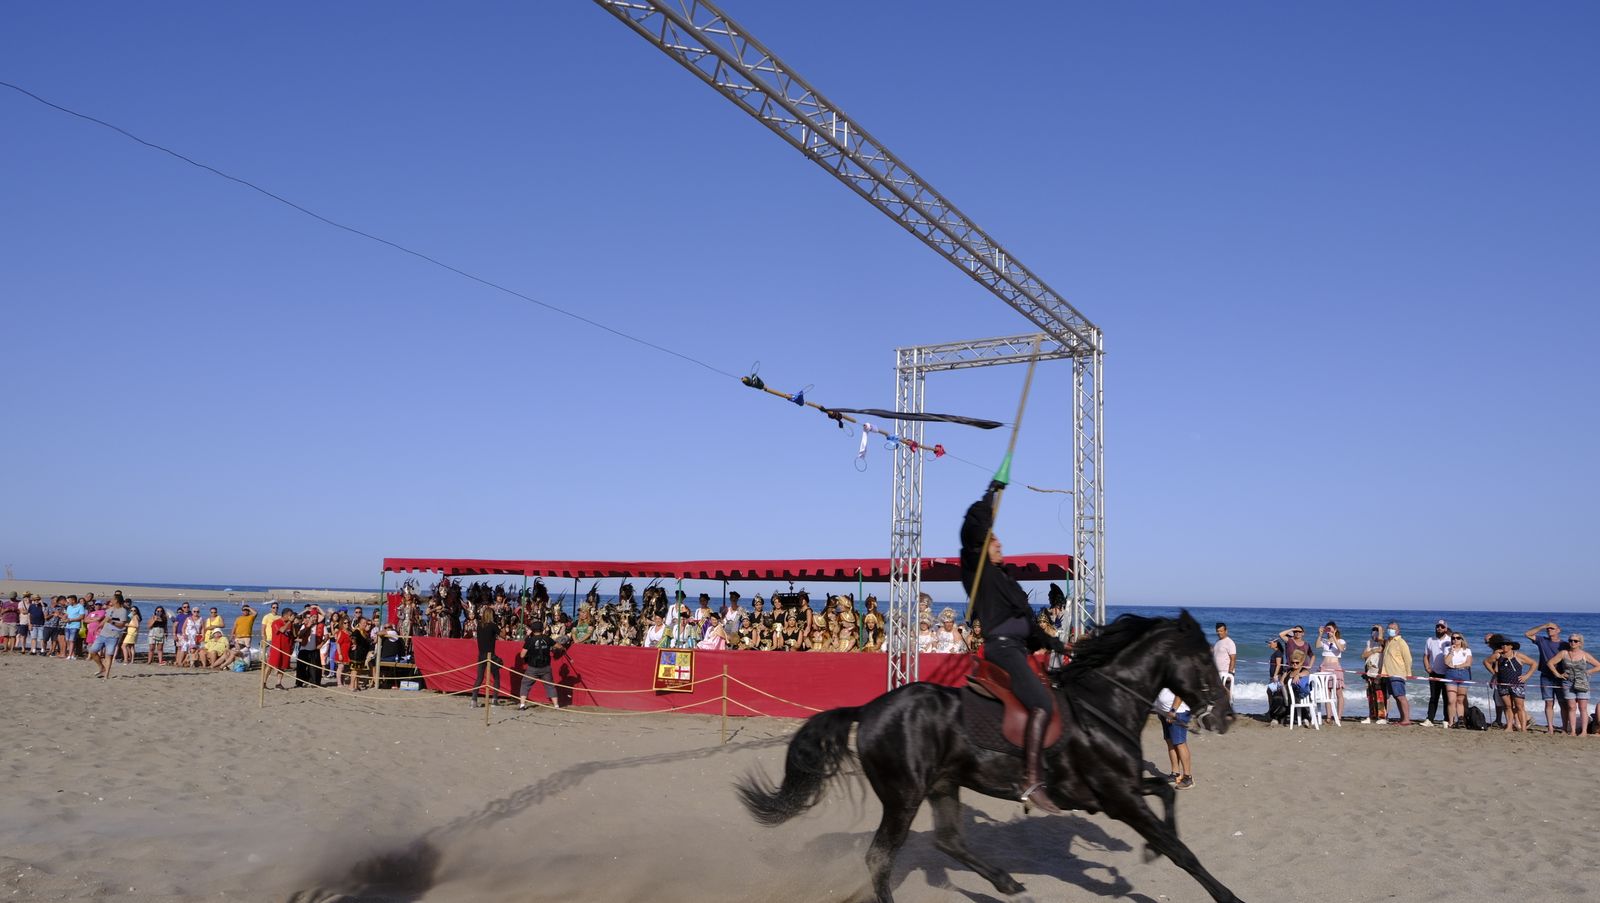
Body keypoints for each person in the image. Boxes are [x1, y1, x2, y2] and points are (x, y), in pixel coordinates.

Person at [961, 477, 1067, 814]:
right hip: (1002, 649)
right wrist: (990, 495)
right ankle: (1031, 780)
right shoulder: (979, 571)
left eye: (998, 540)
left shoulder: (1008, 581)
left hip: (1020, 647)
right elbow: (972, 532)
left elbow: (1031, 626)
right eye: (994, 541)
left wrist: (1055, 644)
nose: (1000, 544)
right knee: (1041, 704)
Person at [1546, 634, 1599, 737]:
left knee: (1583, 707)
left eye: (1575, 641)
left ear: (1580, 643)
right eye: (1570, 640)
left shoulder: (1584, 654)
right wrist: (1558, 674)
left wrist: (1588, 672)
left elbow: (1598, 666)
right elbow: (1550, 663)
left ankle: (1584, 731)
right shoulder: (1564, 653)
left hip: (1582, 682)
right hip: (1568, 682)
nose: (1572, 643)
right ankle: (1573, 731)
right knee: (1571, 707)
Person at [1485, 635, 1536, 732]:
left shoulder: (1518, 655)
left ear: (1511, 646)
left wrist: (1527, 676)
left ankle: (1523, 728)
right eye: (1502, 644)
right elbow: (1486, 662)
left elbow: (1534, 663)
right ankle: (1509, 726)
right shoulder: (1498, 655)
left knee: (1519, 707)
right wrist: (1494, 674)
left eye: (1507, 644)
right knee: (1507, 706)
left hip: (1517, 685)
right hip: (1503, 685)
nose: (1504, 646)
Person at [1525, 621, 1567, 734]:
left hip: (1561, 677)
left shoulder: (1565, 644)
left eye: (1552, 628)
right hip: (1546, 676)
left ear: (1558, 630)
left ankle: (1564, 728)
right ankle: (1550, 728)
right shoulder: (1542, 640)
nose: (1549, 630)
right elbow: (1527, 634)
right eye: (1548, 628)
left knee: (1563, 703)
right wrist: (1543, 626)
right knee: (1549, 703)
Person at [517, 619, 561, 709]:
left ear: (532, 630)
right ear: (542, 629)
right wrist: (562, 648)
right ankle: (556, 705)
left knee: (525, 684)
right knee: (550, 685)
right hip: (546, 667)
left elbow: (522, 655)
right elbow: (559, 646)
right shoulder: (547, 638)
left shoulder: (530, 640)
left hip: (532, 668)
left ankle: (522, 704)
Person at [1157, 688, 1193, 790]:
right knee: (1170, 742)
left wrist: (1173, 710)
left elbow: (1181, 690)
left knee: (1180, 743)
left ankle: (1188, 777)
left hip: (1178, 712)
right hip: (1164, 711)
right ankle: (1175, 774)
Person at [1380, 621, 1414, 725]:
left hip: (1397, 673)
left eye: (1393, 628)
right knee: (1396, 697)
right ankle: (1402, 718)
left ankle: (1406, 719)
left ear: (1398, 631)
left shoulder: (1401, 642)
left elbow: (1408, 658)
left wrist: (1408, 672)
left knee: (1400, 696)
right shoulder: (1388, 642)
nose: (1391, 630)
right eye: (1389, 628)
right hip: (1388, 674)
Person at [1422, 618, 1452, 726]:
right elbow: (1426, 655)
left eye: (1442, 627)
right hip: (1434, 672)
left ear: (1446, 628)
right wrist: (1427, 667)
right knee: (1433, 697)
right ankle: (1429, 719)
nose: (1439, 628)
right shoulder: (1430, 640)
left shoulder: (1450, 640)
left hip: (1447, 673)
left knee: (1447, 697)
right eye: (1438, 626)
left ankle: (1447, 720)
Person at [89, 596, 128, 679]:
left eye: (112, 599)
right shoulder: (110, 609)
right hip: (103, 634)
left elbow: (122, 624)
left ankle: (106, 675)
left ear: (116, 600)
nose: (111, 600)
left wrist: (112, 622)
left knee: (109, 655)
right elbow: (105, 620)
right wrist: (98, 627)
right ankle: (101, 667)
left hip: (113, 636)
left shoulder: (123, 611)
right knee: (92, 651)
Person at [471, 604, 501, 708]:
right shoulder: (493, 625)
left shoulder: (479, 625)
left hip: (481, 654)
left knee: (479, 678)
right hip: (490, 654)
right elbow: (503, 634)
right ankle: (495, 699)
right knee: (496, 677)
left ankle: (474, 700)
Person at [1315, 622, 1346, 722]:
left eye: (1330, 628)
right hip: (1324, 667)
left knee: (1338, 692)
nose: (1328, 630)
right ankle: (1329, 716)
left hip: (1335, 667)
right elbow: (1317, 646)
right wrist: (1320, 634)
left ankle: (1339, 716)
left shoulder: (1340, 640)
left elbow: (1341, 649)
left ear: (1335, 629)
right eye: (1327, 629)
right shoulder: (1324, 641)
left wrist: (1334, 637)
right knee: (1326, 693)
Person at [1441, 632, 1472, 728]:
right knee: (1451, 700)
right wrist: (1451, 651)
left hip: (1463, 673)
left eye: (1458, 638)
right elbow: (1446, 662)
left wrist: (1456, 666)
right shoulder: (1447, 649)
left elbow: (1468, 663)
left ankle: (1461, 720)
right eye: (1453, 638)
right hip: (1450, 674)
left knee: (1460, 700)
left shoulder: (1467, 650)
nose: (1455, 640)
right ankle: (1451, 721)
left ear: (1462, 639)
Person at [1360, 625, 1386, 723]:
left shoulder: (1384, 643)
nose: (1374, 635)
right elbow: (1363, 655)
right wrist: (1374, 650)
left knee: (1379, 694)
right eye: (1373, 633)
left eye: (1377, 633)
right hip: (1369, 671)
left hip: (1378, 672)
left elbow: (1381, 642)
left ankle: (1382, 716)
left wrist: (1380, 629)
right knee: (1370, 695)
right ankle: (1372, 715)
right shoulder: (1369, 642)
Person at [1212, 623, 1237, 700]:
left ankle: (1230, 704)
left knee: (1225, 691)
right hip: (1217, 672)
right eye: (1218, 631)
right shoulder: (1217, 642)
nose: (1219, 633)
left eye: (1221, 631)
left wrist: (1230, 673)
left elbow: (1233, 659)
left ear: (1226, 631)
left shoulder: (1230, 642)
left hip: (1226, 672)